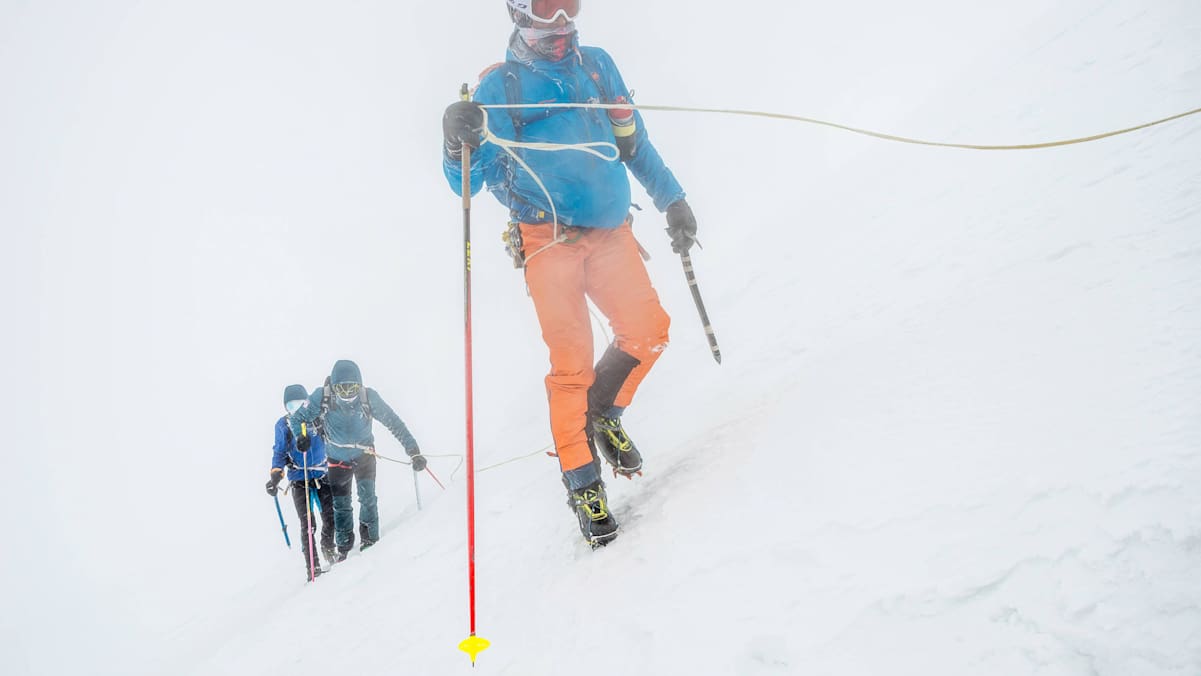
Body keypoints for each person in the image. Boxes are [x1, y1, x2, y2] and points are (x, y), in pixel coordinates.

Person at [441, 0, 699, 546]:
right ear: (518, 13)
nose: (561, 21)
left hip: (610, 232)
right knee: (572, 365)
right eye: (546, 8)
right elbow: (466, 184)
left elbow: (634, 144)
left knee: (650, 331)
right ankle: (584, 484)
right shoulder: (499, 89)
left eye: (570, 6)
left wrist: (672, 200)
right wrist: (454, 142)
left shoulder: (597, 66)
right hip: (547, 241)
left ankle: (603, 414)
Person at [288, 359, 425, 560]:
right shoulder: (322, 396)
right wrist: (301, 436)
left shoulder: (368, 397)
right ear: (333, 388)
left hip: (365, 456)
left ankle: (371, 540)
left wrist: (413, 450)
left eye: (352, 388)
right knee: (341, 505)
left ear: (359, 385)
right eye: (341, 389)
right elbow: (296, 418)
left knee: (368, 497)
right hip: (336, 459)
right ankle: (344, 549)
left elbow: (393, 422)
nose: (347, 394)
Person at [267, 384, 336, 581]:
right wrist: (275, 475)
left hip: (322, 474)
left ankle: (328, 547)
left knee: (331, 516)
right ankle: (312, 567)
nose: (295, 409)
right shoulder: (283, 425)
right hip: (299, 479)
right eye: (290, 406)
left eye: (299, 403)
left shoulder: (317, 418)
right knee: (307, 524)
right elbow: (279, 452)